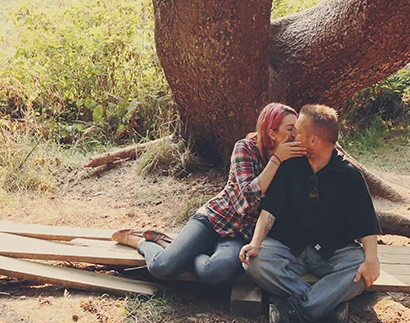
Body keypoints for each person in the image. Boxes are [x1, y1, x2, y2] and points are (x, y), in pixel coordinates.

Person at [111, 103, 305, 285]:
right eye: (290, 129)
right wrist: (276, 160)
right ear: (272, 132)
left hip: (240, 234)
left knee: (216, 272)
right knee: (162, 267)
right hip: (214, 219)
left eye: (296, 129)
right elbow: (248, 195)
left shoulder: (291, 161)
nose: (294, 135)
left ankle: (172, 245)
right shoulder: (245, 148)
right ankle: (140, 242)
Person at [239, 104, 381, 323]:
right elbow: (269, 211)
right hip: (289, 248)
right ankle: (328, 305)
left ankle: (294, 310)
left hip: (331, 252)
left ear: (313, 141)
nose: (292, 136)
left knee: (360, 269)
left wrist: (372, 259)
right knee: (253, 262)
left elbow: (365, 222)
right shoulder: (290, 164)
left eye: (297, 132)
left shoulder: (349, 175)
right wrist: (255, 243)